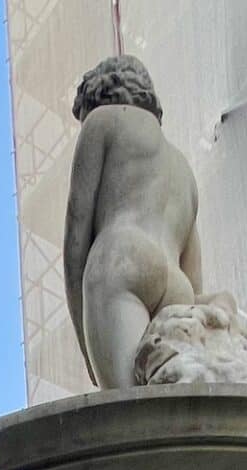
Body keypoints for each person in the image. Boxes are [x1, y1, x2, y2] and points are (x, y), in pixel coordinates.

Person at [62, 56, 200, 390]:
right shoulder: (183, 168)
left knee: (129, 416)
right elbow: (196, 281)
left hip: (122, 259)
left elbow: (76, 235)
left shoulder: (102, 123)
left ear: (97, 94)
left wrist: (86, 341)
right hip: (178, 287)